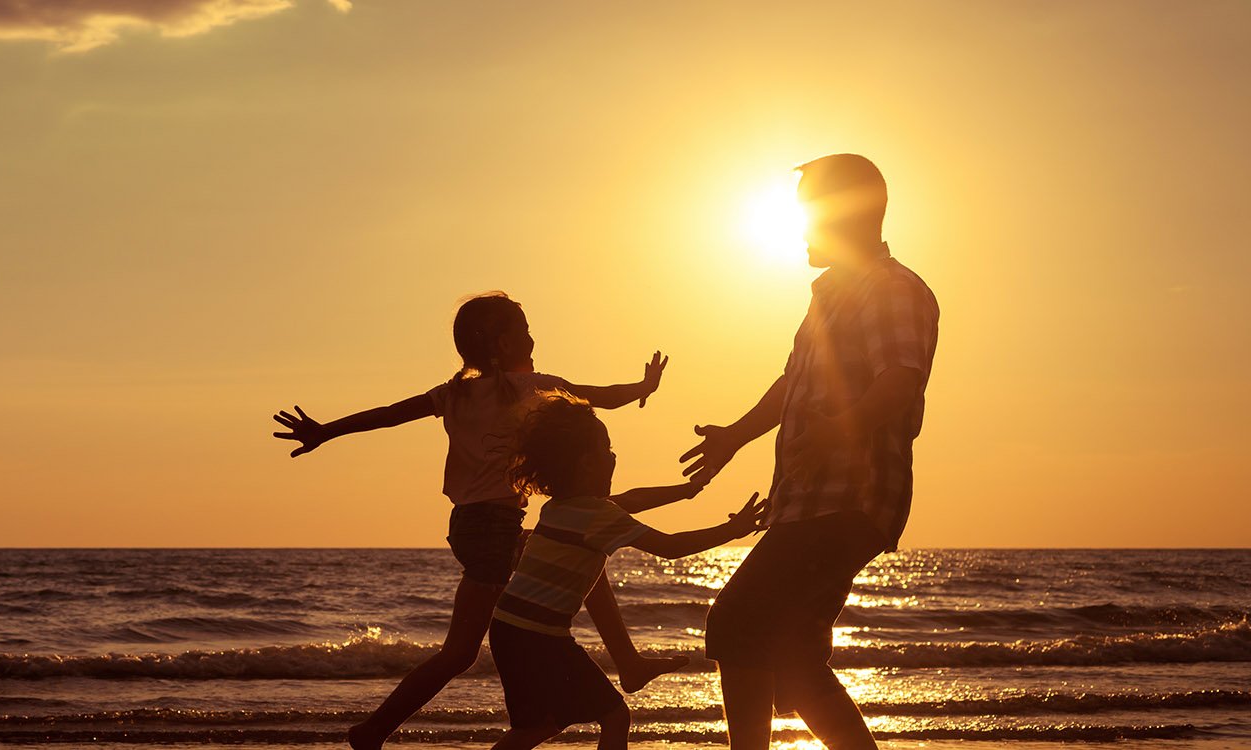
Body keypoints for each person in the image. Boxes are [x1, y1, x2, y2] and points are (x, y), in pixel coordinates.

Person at [270, 292, 701, 750]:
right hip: (494, 530)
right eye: (524, 329)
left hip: (469, 525)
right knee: (460, 651)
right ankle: (373, 730)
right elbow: (600, 398)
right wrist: (644, 388)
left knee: (578, 551)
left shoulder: (453, 393)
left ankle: (627, 660)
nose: (533, 337)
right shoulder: (530, 386)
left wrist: (326, 431)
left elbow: (389, 416)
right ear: (503, 344)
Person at [677, 154, 940, 750]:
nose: (799, 232)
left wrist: (840, 427)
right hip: (809, 499)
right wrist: (733, 437)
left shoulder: (892, 289)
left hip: (847, 498)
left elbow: (901, 380)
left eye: (809, 216)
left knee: (738, 623)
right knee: (794, 661)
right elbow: (792, 383)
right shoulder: (832, 298)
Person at [490, 390, 767, 750]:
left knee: (539, 725)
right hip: (539, 637)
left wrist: (686, 491)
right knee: (615, 716)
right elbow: (670, 547)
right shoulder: (598, 516)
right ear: (589, 464)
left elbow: (633, 499)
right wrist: (731, 530)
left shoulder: (562, 508)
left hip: (509, 630)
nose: (614, 456)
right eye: (608, 451)